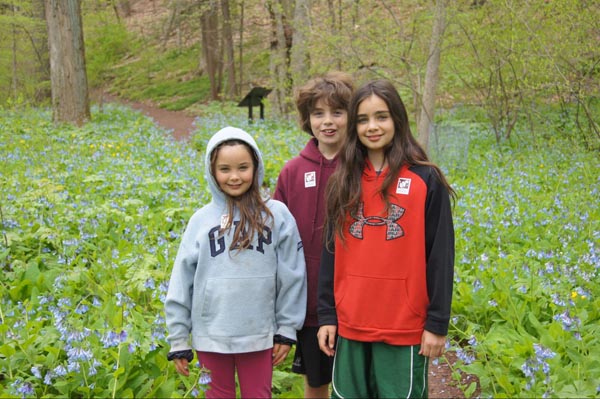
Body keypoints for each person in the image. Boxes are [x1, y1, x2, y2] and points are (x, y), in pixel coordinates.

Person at [317, 79, 455, 398]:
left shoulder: (425, 179)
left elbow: (440, 257)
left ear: (397, 119)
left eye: (381, 117)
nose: (372, 127)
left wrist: (437, 323)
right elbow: (330, 252)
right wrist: (327, 314)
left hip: (403, 325)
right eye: (363, 119)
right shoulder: (343, 180)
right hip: (350, 324)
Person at [165, 126, 307, 399]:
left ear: (256, 167)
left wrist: (287, 327)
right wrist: (179, 338)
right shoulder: (201, 220)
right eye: (224, 169)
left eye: (243, 167)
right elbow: (181, 280)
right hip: (211, 334)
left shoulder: (276, 215)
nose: (234, 177)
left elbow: (292, 275)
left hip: (260, 333)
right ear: (212, 171)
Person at [273, 72, 354, 398]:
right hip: (309, 304)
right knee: (316, 382)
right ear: (307, 119)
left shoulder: (363, 167)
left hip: (355, 300)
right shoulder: (293, 171)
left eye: (337, 112)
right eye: (318, 113)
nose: (328, 122)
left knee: (357, 382)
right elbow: (275, 236)